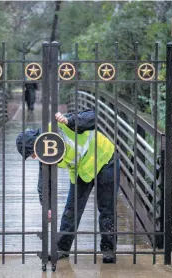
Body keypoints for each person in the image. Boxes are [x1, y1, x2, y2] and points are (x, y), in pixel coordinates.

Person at [15, 109, 119, 264]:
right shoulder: (46, 152)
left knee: (106, 208)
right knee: (72, 210)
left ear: (35, 144)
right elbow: (44, 180)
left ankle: (108, 251)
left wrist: (69, 121)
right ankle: (62, 249)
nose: (34, 157)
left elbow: (93, 116)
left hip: (105, 158)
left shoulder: (58, 126)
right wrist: (48, 206)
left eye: (32, 154)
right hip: (83, 171)